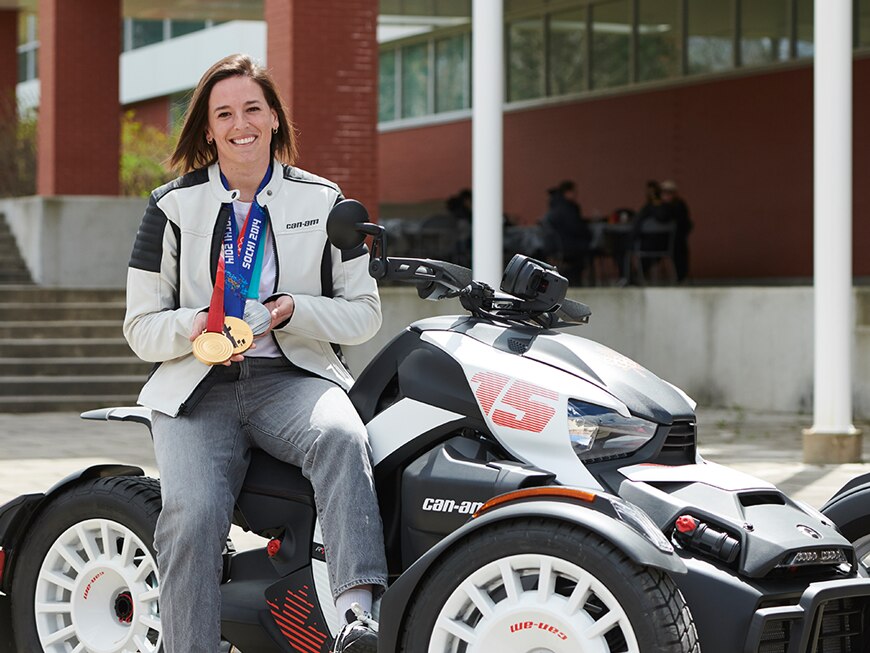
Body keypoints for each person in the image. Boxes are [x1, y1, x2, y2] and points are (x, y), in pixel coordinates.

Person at [123, 54, 386, 653]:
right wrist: (197, 324)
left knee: (343, 438)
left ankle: (356, 618)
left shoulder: (325, 200)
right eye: (224, 114)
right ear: (208, 129)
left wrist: (293, 306)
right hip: (197, 388)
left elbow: (365, 313)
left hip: (289, 378)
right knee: (190, 514)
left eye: (252, 109)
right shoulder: (170, 207)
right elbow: (139, 327)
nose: (240, 123)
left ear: (272, 118)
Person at [540, 180, 591, 284]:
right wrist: (589, 234)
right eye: (574, 192)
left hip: (558, 248)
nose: (576, 195)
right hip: (570, 247)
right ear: (568, 192)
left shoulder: (554, 206)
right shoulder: (568, 208)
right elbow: (576, 228)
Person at [659, 179, 693, 282]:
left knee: (679, 249)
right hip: (657, 240)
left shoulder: (679, 205)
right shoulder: (656, 206)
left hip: (676, 240)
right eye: (664, 192)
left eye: (669, 192)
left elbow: (685, 224)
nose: (667, 195)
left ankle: (681, 277)